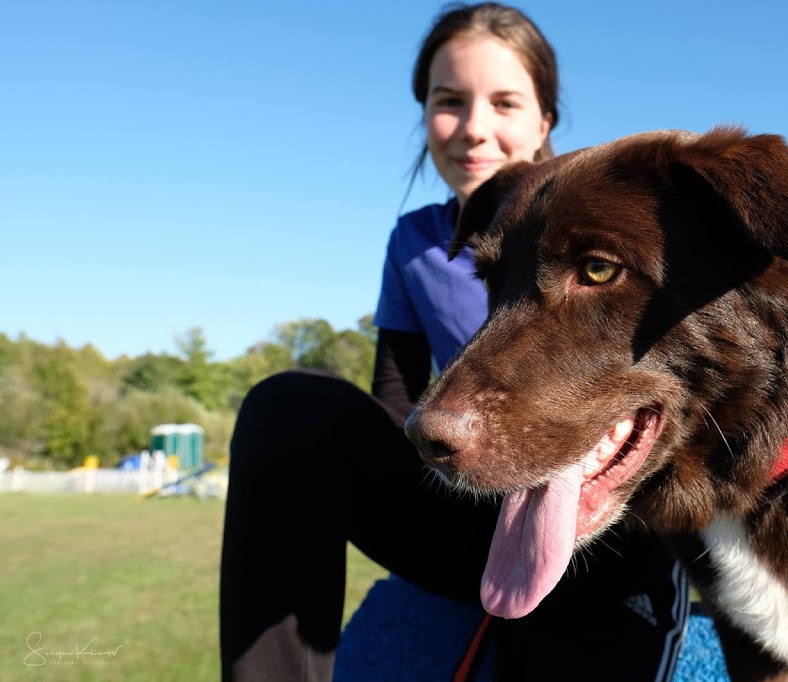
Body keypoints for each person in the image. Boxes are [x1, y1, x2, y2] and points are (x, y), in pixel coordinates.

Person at [219, 3, 690, 680]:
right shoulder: (414, 243)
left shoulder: (612, 234)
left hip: (608, 535)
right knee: (288, 407)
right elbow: (396, 400)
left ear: (544, 121)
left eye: (504, 102)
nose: (474, 128)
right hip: (473, 524)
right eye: (449, 102)